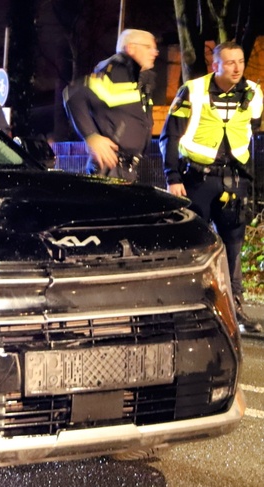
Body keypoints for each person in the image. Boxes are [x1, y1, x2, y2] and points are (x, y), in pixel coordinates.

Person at [160, 40, 263, 333]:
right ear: (215, 65)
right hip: (197, 180)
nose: (237, 68)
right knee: (194, 244)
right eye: (229, 62)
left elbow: (252, 129)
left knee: (233, 246)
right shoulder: (192, 91)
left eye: (240, 61)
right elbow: (170, 135)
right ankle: (187, 308)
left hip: (234, 180)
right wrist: (173, 177)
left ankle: (235, 309)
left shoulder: (253, 92)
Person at [63, 29, 158, 182]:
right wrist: (91, 136)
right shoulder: (114, 74)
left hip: (125, 170)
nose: (155, 52)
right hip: (109, 168)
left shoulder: (138, 81)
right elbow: (72, 94)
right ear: (131, 48)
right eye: (148, 47)